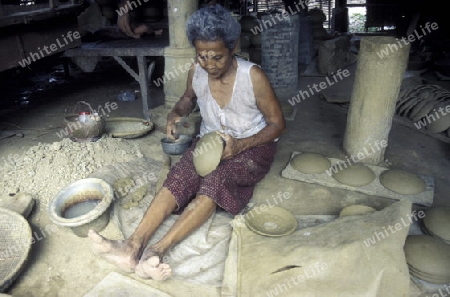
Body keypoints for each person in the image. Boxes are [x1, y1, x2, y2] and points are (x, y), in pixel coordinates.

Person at [88, 4, 285, 281]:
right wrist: (176, 113)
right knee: (181, 175)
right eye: (202, 55)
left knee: (215, 179)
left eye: (217, 56)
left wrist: (240, 146)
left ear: (234, 46)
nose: (209, 64)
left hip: (253, 147)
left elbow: (278, 124)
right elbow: (187, 99)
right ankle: (132, 248)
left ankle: (156, 251)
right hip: (211, 141)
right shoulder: (198, 70)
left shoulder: (253, 76)